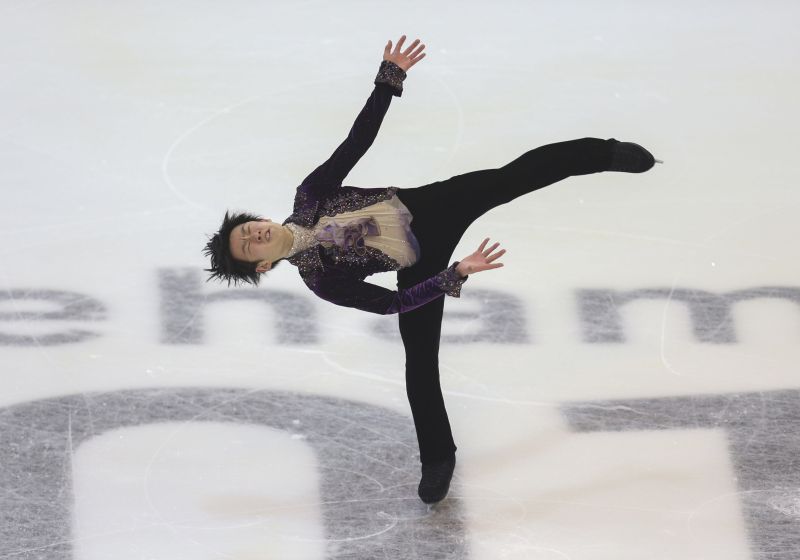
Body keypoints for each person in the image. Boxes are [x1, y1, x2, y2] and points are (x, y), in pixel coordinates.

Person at [203, 35, 660, 504]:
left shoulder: (310, 195)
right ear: (262, 265)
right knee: (420, 361)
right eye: (248, 246)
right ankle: (438, 458)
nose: (254, 235)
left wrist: (388, 79)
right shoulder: (320, 279)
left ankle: (602, 153)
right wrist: (451, 275)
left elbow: (356, 142)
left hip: (432, 205)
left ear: (260, 220)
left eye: (249, 229)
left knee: (513, 176)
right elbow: (393, 304)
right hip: (420, 268)